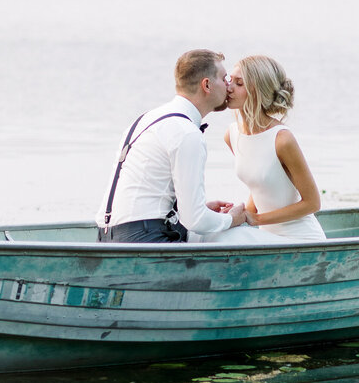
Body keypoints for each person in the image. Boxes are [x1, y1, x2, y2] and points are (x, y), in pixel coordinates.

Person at [97, 49, 249, 242]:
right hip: (144, 239)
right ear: (207, 85)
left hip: (106, 237)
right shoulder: (187, 133)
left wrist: (195, 212)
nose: (228, 86)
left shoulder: (146, 119)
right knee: (237, 235)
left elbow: (151, 192)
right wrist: (231, 218)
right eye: (224, 78)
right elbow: (196, 220)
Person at [221, 55, 325, 241]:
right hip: (266, 237)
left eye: (239, 83)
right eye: (229, 80)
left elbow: (312, 203)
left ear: (257, 91)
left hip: (301, 238)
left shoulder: (282, 139)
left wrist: (257, 218)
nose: (229, 88)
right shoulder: (232, 134)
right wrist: (242, 214)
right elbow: (259, 186)